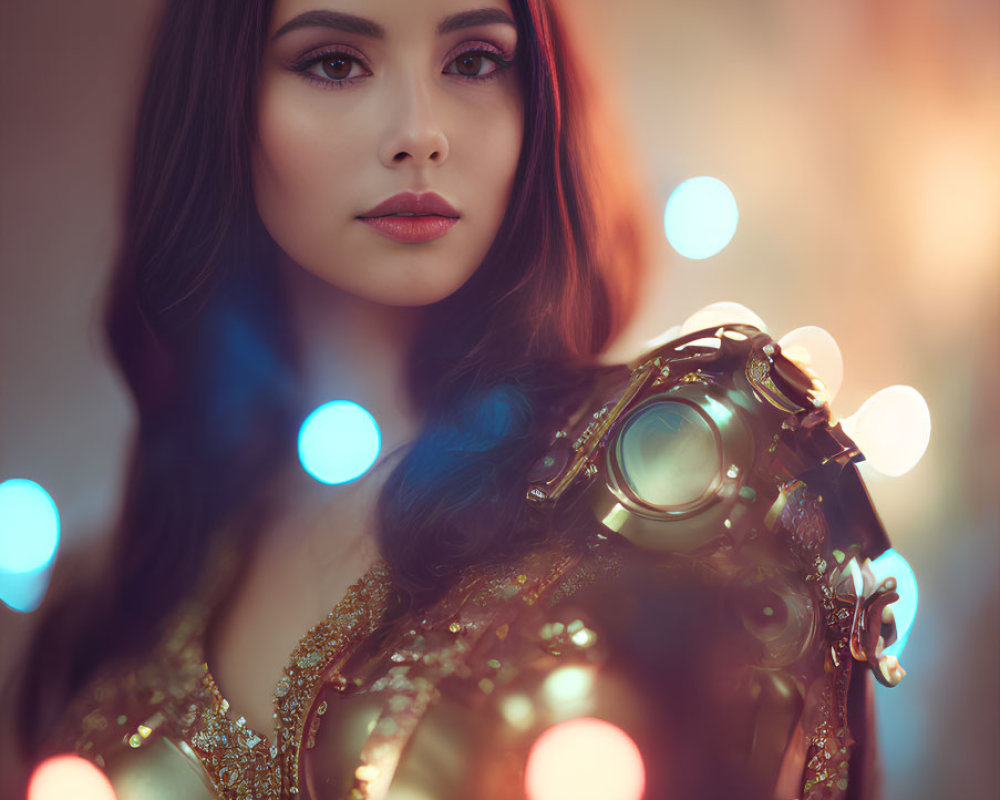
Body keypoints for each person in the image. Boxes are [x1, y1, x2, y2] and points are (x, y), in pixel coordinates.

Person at [13, 1, 909, 798]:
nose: (420, 130)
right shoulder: (107, 599)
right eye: (335, 62)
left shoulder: (698, 464)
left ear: (536, 96)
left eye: (474, 60)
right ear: (222, 105)